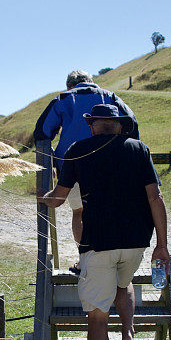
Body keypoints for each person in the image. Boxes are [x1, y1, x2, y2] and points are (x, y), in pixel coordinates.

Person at [38, 103, 168, 340]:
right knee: (124, 285)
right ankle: (128, 335)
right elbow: (155, 197)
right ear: (120, 126)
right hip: (136, 242)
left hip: (97, 245)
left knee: (96, 319)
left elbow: (58, 199)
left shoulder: (77, 149)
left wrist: (39, 199)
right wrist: (161, 245)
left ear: (93, 125)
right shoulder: (139, 149)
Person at [33, 70, 139, 273]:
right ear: (92, 83)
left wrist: (53, 159)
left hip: (73, 166)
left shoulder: (64, 98)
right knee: (110, 210)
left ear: (69, 86)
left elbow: (42, 132)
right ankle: (112, 260)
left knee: (79, 212)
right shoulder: (109, 96)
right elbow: (132, 124)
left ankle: (86, 261)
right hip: (111, 166)